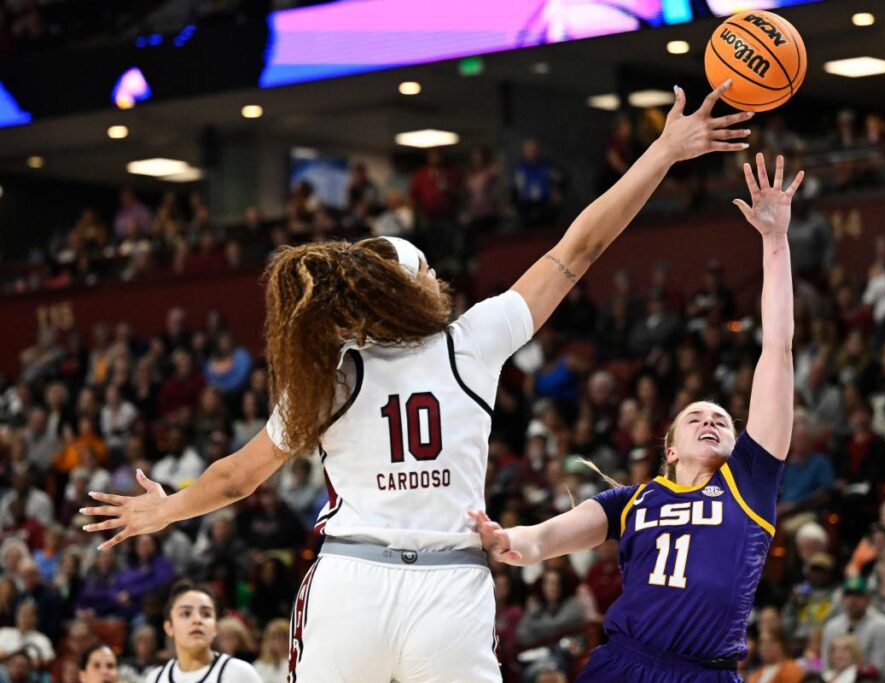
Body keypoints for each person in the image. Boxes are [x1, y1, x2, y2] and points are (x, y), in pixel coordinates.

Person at [82, 81, 754, 682]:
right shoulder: (471, 342)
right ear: (421, 287)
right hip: (448, 589)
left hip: (352, 582)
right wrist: (662, 151)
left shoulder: (329, 371)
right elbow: (578, 249)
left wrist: (165, 509)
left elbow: (235, 479)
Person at [473, 152, 803, 682]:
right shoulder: (632, 501)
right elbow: (544, 538)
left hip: (703, 672)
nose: (711, 421)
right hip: (622, 664)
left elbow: (778, 351)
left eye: (721, 418)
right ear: (669, 447)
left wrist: (775, 241)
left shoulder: (751, 481)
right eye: (695, 417)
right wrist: (506, 539)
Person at [145, 581, 261, 683]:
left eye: (206, 614)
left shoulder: (240, 674)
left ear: (215, 628)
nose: (197, 620)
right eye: (186, 613)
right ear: (169, 627)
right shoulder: (155, 678)